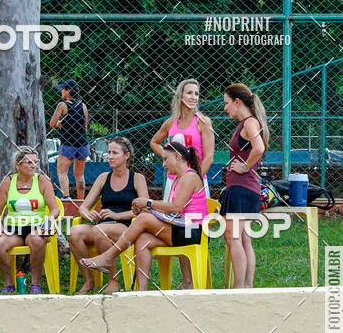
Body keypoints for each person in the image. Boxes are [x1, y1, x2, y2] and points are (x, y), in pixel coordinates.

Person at [80, 140, 208, 291]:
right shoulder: (178, 180)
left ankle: (108, 257)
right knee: (142, 239)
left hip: (191, 230)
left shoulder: (190, 177)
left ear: (177, 156)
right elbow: (171, 211)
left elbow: (177, 207)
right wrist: (152, 208)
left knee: (143, 218)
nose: (164, 165)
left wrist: (148, 204)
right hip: (181, 227)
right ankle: (141, 292)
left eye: (165, 159)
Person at [150, 78, 214, 288]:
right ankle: (186, 281)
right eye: (189, 93)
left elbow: (209, 156)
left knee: (191, 229)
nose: (194, 97)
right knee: (177, 224)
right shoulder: (171, 123)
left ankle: (197, 278)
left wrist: (192, 178)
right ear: (180, 96)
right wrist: (168, 158)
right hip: (172, 183)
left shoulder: (203, 123)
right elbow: (154, 142)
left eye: (196, 93)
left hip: (195, 185)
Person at [68, 136, 149, 294]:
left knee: (100, 232)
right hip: (102, 226)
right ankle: (89, 281)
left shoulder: (137, 179)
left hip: (127, 226)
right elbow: (83, 207)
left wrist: (117, 215)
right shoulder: (103, 178)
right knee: (74, 232)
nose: (110, 156)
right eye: (108, 152)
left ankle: (113, 280)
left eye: (115, 153)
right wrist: (88, 213)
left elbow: (145, 210)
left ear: (126, 156)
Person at [0, 146, 60, 294]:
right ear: (17, 164)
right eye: (28, 162)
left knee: (36, 240)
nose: (33, 165)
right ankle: (9, 283)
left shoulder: (42, 181)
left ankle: (35, 284)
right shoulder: (8, 182)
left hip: (36, 228)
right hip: (13, 229)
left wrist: (46, 224)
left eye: (36, 161)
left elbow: (55, 210)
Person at [222, 82, 269, 289]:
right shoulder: (249, 123)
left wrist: (244, 167)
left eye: (227, 103)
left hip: (241, 187)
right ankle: (246, 286)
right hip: (246, 188)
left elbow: (258, 148)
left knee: (233, 237)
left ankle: (239, 287)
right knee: (243, 238)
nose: (225, 108)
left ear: (237, 101)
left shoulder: (249, 122)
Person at [49, 79, 90, 201]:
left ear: (68, 91)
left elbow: (52, 123)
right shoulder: (83, 106)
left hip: (68, 143)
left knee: (62, 172)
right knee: (79, 175)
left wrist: (59, 124)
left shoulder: (63, 105)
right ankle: (81, 200)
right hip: (82, 143)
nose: (61, 91)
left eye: (63, 89)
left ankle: (66, 197)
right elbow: (85, 126)